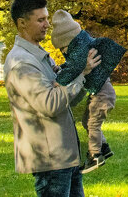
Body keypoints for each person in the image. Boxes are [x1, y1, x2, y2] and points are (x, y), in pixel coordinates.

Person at [4, 0, 101, 197]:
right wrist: (82, 76)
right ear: (22, 23)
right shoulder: (21, 62)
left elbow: (59, 91)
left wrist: (75, 75)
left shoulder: (39, 55)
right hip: (48, 158)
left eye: (47, 18)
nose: (47, 24)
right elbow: (49, 104)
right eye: (41, 19)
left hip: (66, 154)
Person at [49, 11, 122, 173]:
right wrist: (61, 68)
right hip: (101, 94)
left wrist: (58, 81)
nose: (63, 51)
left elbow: (73, 69)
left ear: (68, 41)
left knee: (92, 123)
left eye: (63, 48)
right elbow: (73, 66)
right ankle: (104, 147)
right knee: (86, 121)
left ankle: (95, 155)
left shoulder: (80, 53)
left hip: (103, 96)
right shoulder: (82, 49)